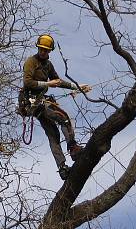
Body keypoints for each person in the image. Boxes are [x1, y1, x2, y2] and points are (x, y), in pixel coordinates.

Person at [19, 34, 91, 180]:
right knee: (63, 118)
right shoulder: (31, 62)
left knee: (53, 134)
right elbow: (27, 83)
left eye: (46, 50)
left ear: (50, 51)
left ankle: (62, 167)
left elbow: (57, 81)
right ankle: (73, 148)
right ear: (38, 48)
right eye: (41, 49)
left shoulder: (48, 65)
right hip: (30, 102)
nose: (43, 52)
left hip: (39, 102)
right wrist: (47, 84)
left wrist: (76, 87)